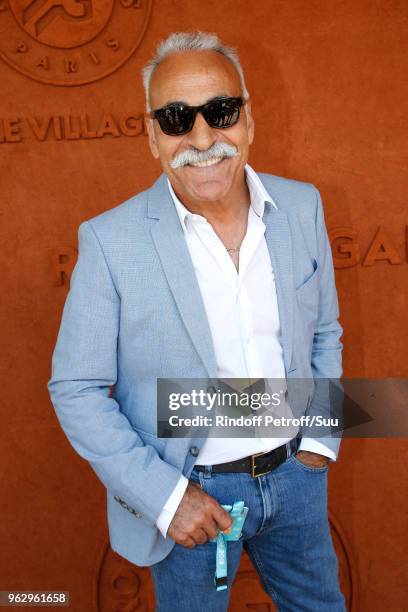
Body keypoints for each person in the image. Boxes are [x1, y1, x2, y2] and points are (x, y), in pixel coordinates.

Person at [47, 31, 346, 611]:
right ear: (152, 136)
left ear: (248, 118)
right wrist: (166, 497)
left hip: (297, 477)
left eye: (221, 111)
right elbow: (75, 389)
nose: (203, 138)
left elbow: (325, 332)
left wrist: (320, 441)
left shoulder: (303, 206)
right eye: (178, 118)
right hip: (191, 496)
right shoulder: (109, 241)